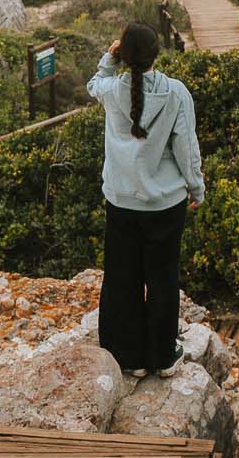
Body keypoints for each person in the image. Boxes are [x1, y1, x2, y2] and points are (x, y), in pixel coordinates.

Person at [87, 22, 205, 377]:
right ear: (157, 54)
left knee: (123, 276)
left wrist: (109, 59)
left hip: (121, 201)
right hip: (165, 204)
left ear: (123, 53)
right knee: (162, 277)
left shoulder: (111, 90)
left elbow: (93, 84)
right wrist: (196, 188)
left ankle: (129, 357)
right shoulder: (176, 93)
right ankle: (161, 356)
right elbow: (186, 149)